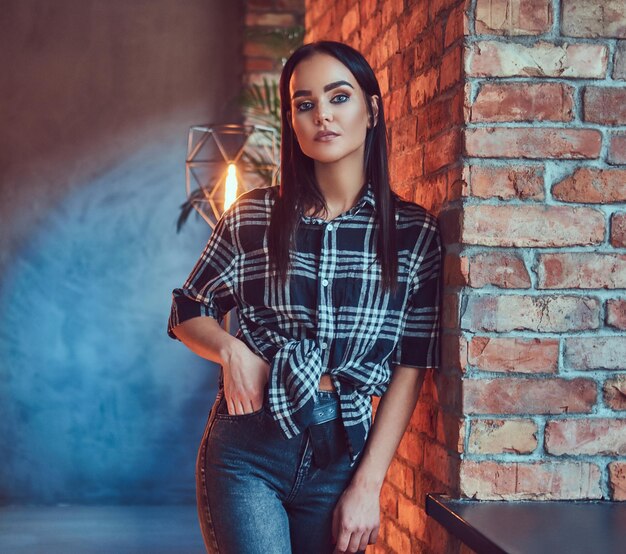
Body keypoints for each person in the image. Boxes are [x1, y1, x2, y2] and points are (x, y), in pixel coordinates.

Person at [167, 40, 442, 554]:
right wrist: (231, 351)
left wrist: (368, 484)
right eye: (305, 104)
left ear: (372, 109)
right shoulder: (253, 216)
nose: (323, 116)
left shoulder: (413, 233)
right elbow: (188, 308)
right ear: (292, 120)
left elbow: (412, 365)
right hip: (247, 450)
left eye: (339, 98)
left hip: (342, 456)